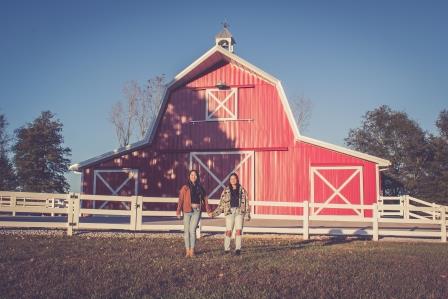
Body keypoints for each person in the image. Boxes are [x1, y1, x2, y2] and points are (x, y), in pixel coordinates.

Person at [209, 173, 250, 255]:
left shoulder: (242, 190)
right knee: (229, 231)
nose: (233, 180)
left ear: (237, 179)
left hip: (239, 212)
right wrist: (213, 214)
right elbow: (221, 204)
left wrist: (247, 214)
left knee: (238, 231)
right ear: (229, 180)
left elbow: (246, 203)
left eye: (234, 178)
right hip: (229, 212)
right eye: (231, 179)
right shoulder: (225, 190)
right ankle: (226, 249)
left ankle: (238, 249)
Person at [176, 170, 210, 257]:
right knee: (186, 231)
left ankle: (192, 251)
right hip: (187, 211)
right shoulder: (185, 188)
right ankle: (187, 251)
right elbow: (180, 200)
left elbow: (205, 199)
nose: (193, 176)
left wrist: (208, 210)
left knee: (192, 230)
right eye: (191, 175)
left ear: (197, 177)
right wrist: (178, 211)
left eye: (195, 175)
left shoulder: (200, 187)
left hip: (196, 211)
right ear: (189, 176)